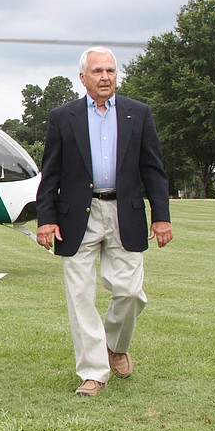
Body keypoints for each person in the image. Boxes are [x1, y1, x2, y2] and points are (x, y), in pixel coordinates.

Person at [35, 46, 173, 397]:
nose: (105, 77)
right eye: (97, 71)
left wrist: (161, 216)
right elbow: (50, 173)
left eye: (110, 70)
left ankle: (114, 345)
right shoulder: (62, 117)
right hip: (76, 215)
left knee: (129, 292)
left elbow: (153, 169)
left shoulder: (138, 114)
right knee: (80, 295)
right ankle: (93, 372)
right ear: (83, 78)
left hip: (124, 212)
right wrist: (45, 219)